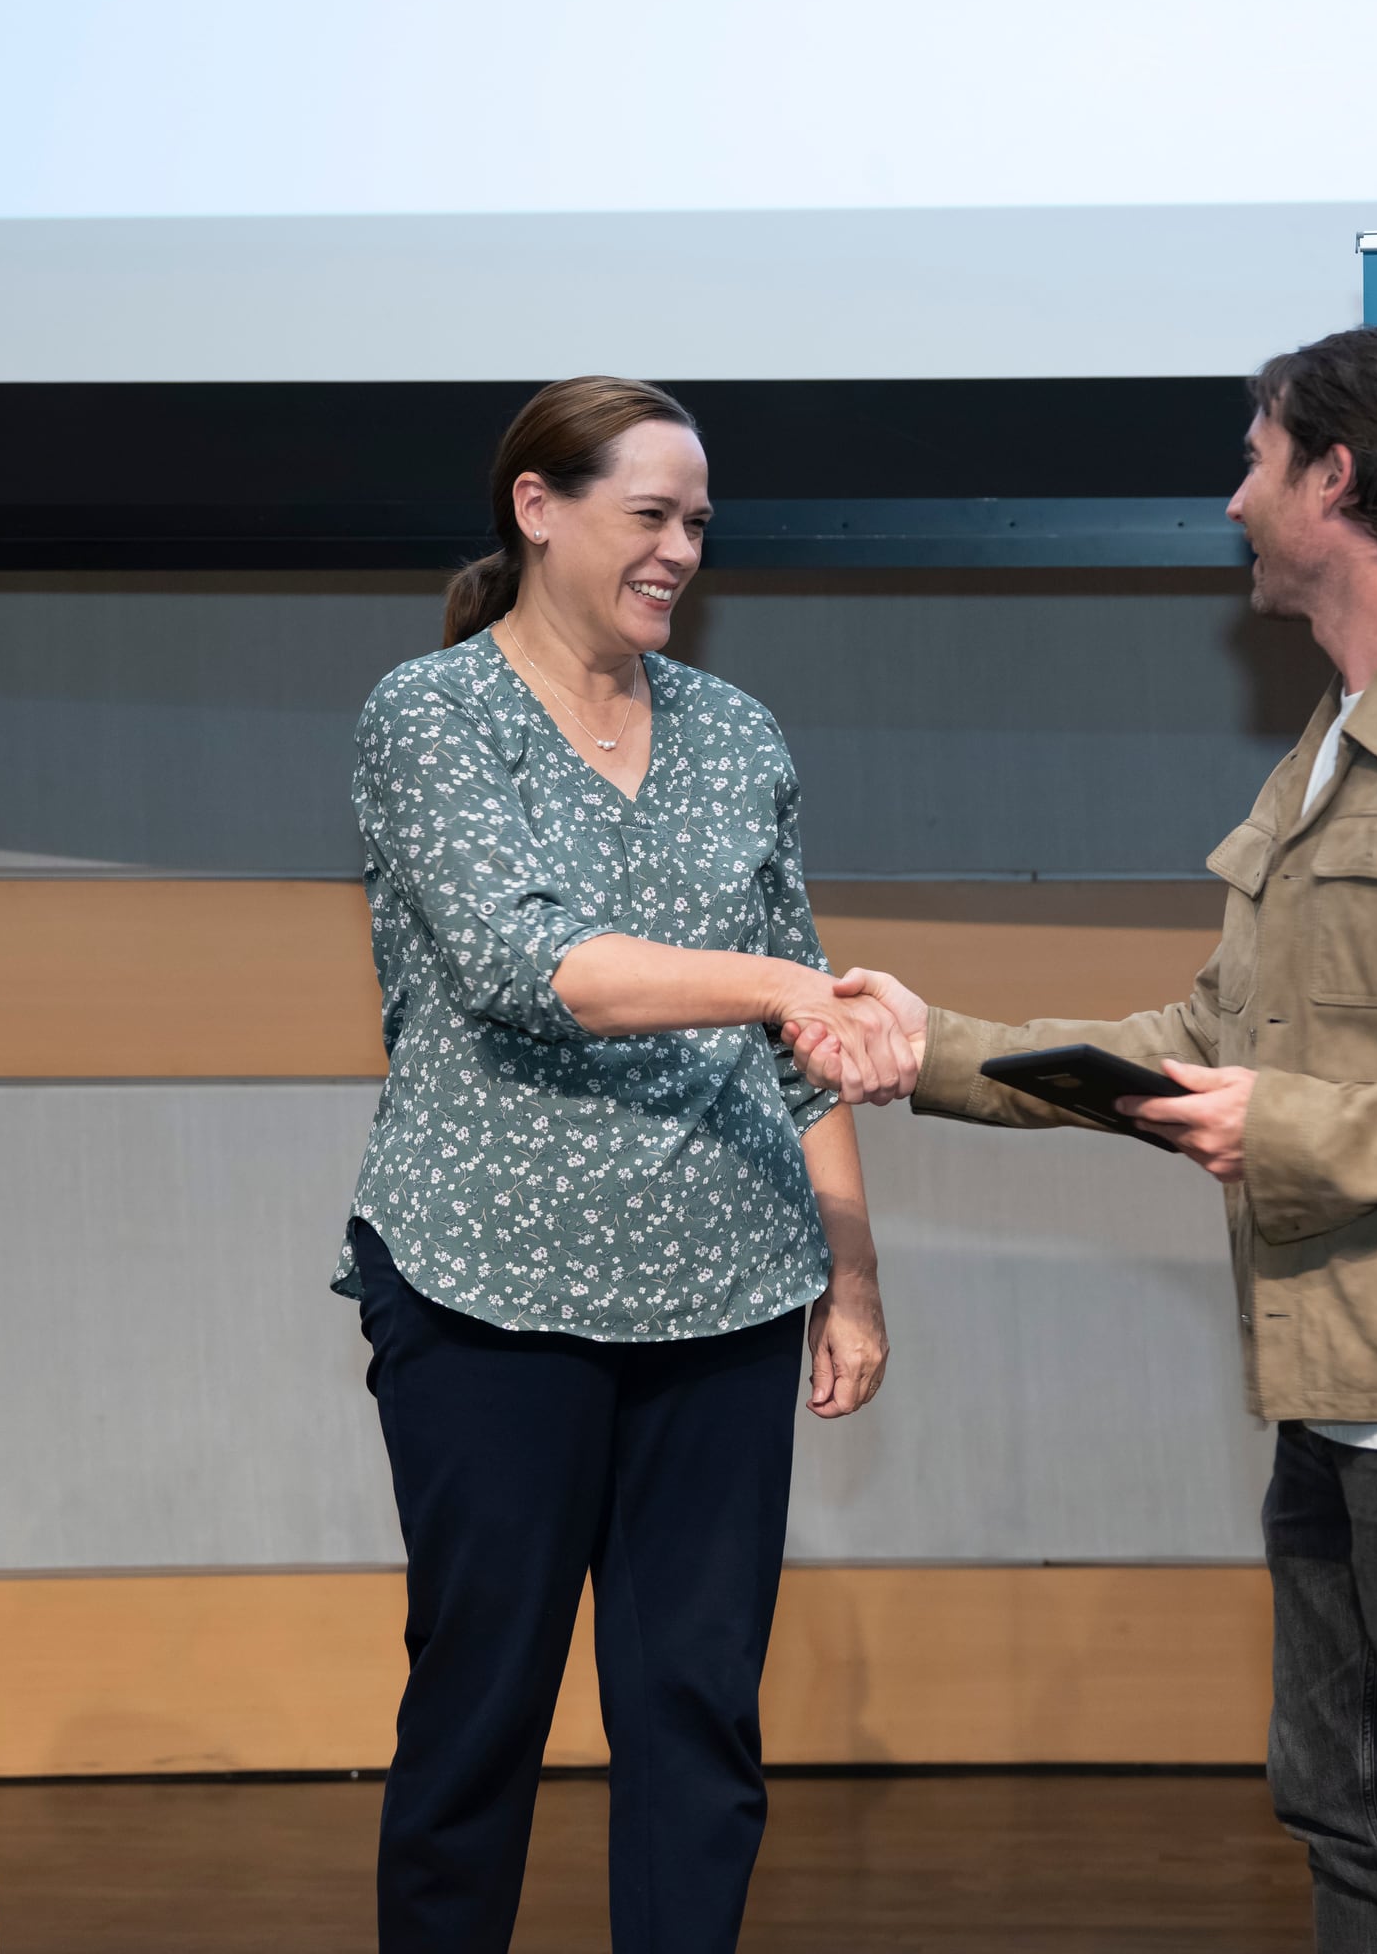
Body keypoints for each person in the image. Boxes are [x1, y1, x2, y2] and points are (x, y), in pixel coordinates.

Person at [802, 328, 1377, 1952]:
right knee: (1353, 1822)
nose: (1233, 496)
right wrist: (931, 1052)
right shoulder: (1342, 739)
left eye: (1257, 457)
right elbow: (1214, 1045)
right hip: (1342, 1393)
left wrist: (1311, 1131)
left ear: (1335, 479)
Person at [336, 377, 912, 1953]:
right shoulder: (431, 713)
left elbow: (812, 1031)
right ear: (538, 508)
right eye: (649, 516)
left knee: (698, 1726)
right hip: (486, 1292)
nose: (681, 552)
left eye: (700, 525)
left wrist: (850, 1274)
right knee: (480, 1715)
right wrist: (784, 988)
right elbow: (538, 968)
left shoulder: (738, 736)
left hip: (728, 1290)